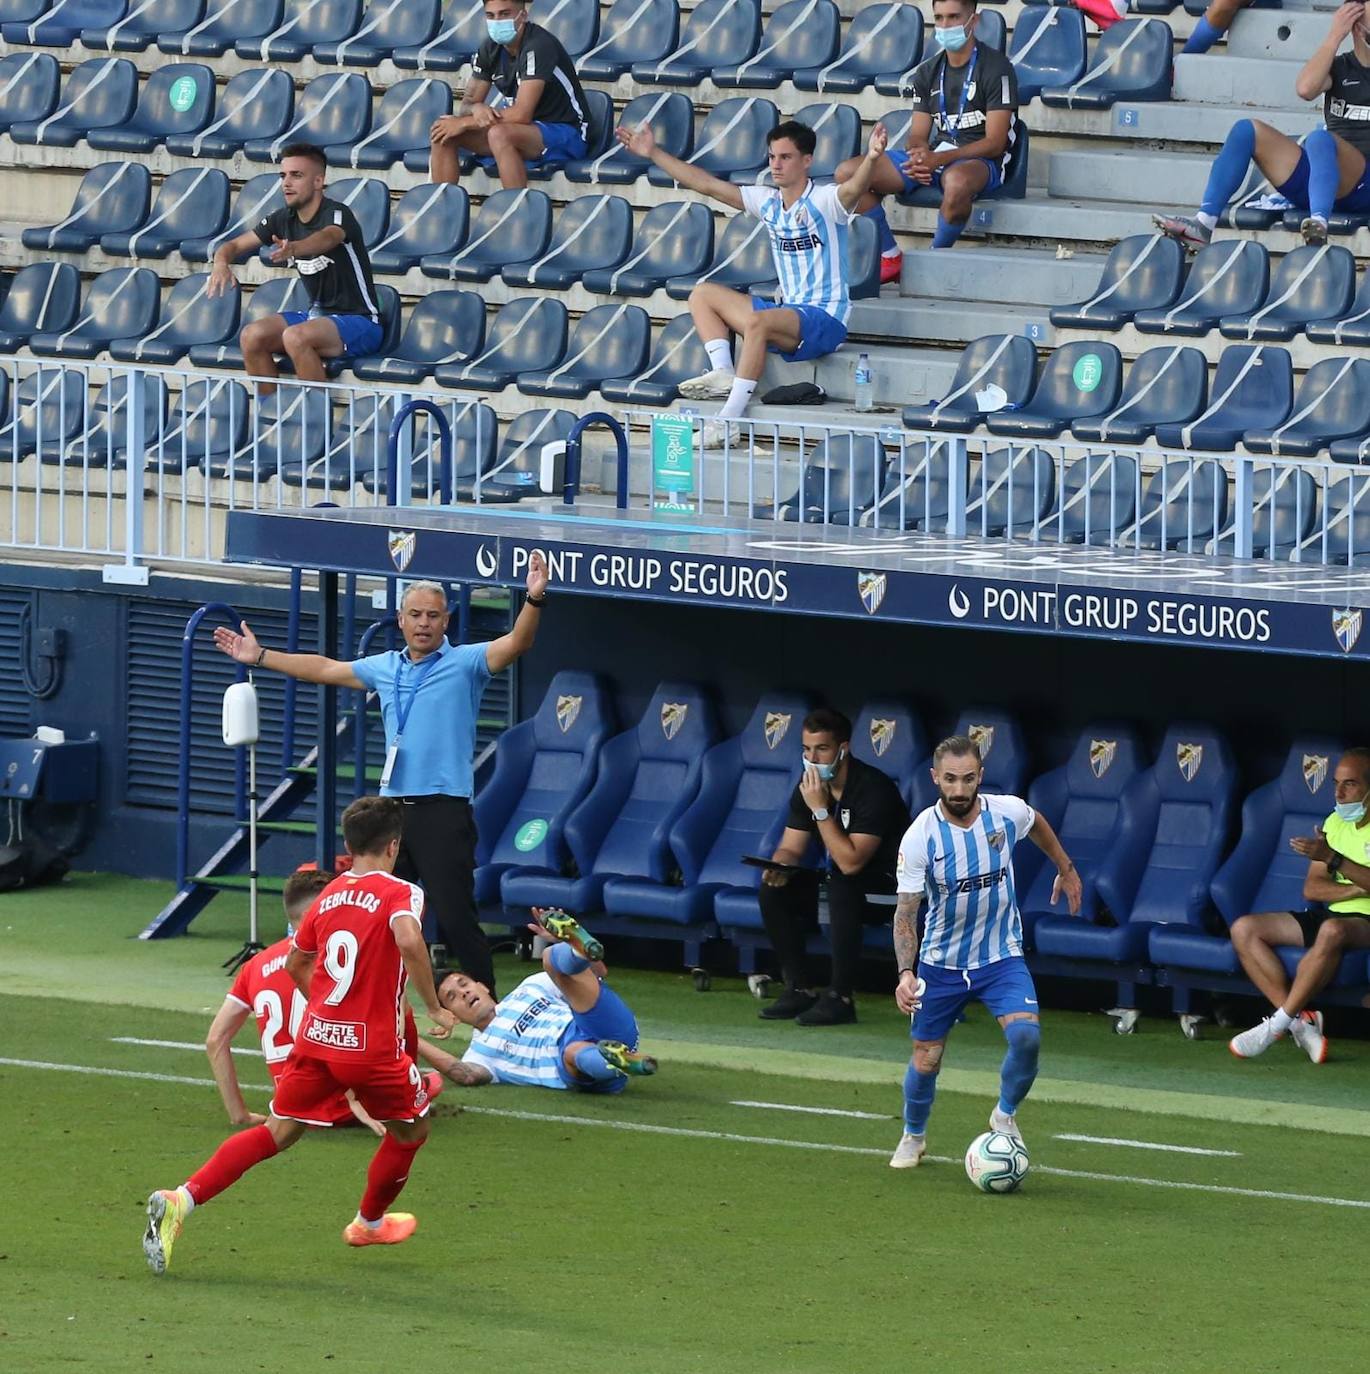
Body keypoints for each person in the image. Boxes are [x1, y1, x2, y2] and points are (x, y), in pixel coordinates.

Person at [142, 797, 458, 1273]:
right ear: (393, 846)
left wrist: (328, 1008)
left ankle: (181, 1199)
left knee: (279, 1130)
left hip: (316, 1039)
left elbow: (296, 962)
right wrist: (434, 1005)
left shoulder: (328, 896)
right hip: (371, 1048)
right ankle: (368, 1225)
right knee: (412, 1129)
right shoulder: (401, 892)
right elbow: (410, 940)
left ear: (349, 848)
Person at [212, 557, 549, 996]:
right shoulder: (387, 666)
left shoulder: (466, 663)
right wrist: (259, 656)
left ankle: (488, 1005)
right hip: (390, 813)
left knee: (454, 913)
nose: (423, 624)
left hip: (442, 810)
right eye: (415, 615)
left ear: (446, 620)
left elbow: (518, 642)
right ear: (401, 620)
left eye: (432, 616)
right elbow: (326, 669)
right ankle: (368, 992)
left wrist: (535, 597)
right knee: (376, 909)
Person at [616, 117, 889, 445]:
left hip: (825, 320)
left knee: (757, 322)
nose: (776, 164)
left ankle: (728, 422)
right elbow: (706, 184)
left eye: (785, 157)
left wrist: (872, 158)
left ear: (807, 161)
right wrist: (653, 153)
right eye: (772, 157)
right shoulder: (769, 201)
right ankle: (725, 374)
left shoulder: (825, 200)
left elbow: (853, 189)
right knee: (702, 295)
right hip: (788, 312)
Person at [888, 734, 1081, 1169]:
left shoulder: (1005, 812)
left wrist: (1065, 868)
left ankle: (1004, 1116)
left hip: (1000, 955)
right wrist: (905, 972)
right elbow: (905, 914)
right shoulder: (921, 836)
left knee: (1027, 1037)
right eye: (951, 780)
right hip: (941, 963)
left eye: (968, 779)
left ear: (981, 777)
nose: (959, 790)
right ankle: (913, 1135)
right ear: (935, 778)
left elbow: (1036, 823)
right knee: (927, 1057)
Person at [206, 868, 441, 1135]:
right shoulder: (338, 960)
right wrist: (355, 1098)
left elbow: (216, 1039)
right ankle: (401, 1093)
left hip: (293, 1100)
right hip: (343, 1094)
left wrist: (240, 1113)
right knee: (398, 1005)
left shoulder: (255, 965)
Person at [1155, 3, 1370, 248]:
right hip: (1323, 181)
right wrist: (1334, 37)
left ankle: (1318, 225)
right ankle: (1204, 224)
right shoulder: (1340, 66)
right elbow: (1305, 89)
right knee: (1246, 130)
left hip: (1364, 186)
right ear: (1355, 26)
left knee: (1320, 139)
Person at [834, 0, 1018, 275]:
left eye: (954, 17)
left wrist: (938, 159)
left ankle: (934, 260)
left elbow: (995, 143)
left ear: (974, 21)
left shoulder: (996, 67)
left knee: (956, 182)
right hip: (938, 155)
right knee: (848, 174)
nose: (945, 25)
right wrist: (919, 155)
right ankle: (890, 255)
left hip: (980, 161)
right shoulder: (928, 71)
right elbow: (918, 134)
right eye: (940, 18)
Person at [755, 709, 912, 1027]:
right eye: (806, 750)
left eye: (822, 749)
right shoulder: (809, 785)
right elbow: (791, 846)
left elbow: (851, 862)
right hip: (846, 887)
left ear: (843, 748)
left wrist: (821, 810)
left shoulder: (873, 788)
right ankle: (798, 988)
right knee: (775, 889)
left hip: (891, 892)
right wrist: (781, 865)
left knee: (841, 883)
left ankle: (840, 998)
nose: (812, 758)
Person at [1226, 748, 1370, 1063]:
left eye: (1350, 784)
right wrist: (1358, 888)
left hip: (1365, 923)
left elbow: (1331, 867)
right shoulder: (1335, 821)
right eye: (1336, 783)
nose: (1339, 792)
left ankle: (1276, 1025)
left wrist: (1334, 860)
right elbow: (1313, 887)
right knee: (1244, 929)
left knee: (1332, 931)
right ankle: (1300, 1023)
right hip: (1334, 913)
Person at [420, 909, 657, 1091]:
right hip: (580, 1064)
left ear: (481, 985)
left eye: (464, 984)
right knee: (572, 1051)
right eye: (452, 997)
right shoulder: (480, 1052)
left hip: (601, 1023)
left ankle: (577, 947)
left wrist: (559, 941)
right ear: (451, 1015)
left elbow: (598, 972)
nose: (463, 993)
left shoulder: (529, 987)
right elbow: (466, 1075)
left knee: (549, 957)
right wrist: (412, 1038)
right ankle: (620, 1063)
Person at [207, 143, 383, 388]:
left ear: (318, 181)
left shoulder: (337, 214)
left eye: (296, 175)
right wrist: (220, 262)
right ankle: (270, 412)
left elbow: (329, 237)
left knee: (295, 337)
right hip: (316, 317)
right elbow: (234, 246)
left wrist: (296, 248)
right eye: (283, 175)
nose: (286, 183)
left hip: (361, 321)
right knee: (251, 336)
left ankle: (314, 420)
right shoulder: (282, 218)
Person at [428, 0, 591, 190]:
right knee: (442, 130)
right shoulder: (490, 48)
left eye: (504, 14)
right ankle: (440, 208)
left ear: (522, 15)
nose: (497, 21)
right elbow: (467, 105)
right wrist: (476, 108)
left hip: (566, 131)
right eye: (491, 16)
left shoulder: (539, 45)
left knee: (499, 134)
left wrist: (465, 122)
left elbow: (522, 114)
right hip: (521, 129)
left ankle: (514, 211)